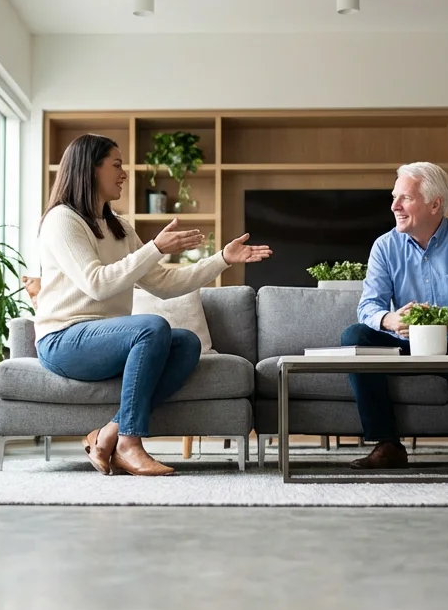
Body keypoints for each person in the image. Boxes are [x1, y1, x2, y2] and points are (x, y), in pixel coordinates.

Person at [36, 133, 272, 476]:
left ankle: (109, 433)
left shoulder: (118, 228)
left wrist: (223, 258)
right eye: (116, 165)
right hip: (63, 340)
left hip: (106, 342)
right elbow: (97, 284)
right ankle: (129, 443)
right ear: (90, 169)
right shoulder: (63, 220)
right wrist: (155, 248)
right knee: (151, 326)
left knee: (186, 343)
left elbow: (164, 284)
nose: (124, 174)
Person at [342, 162, 448, 470]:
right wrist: (390, 320)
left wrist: (441, 319)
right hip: (404, 345)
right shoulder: (385, 246)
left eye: (405, 198)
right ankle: (388, 445)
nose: (394, 206)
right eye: (394, 197)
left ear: (435, 204)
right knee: (354, 336)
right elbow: (368, 307)